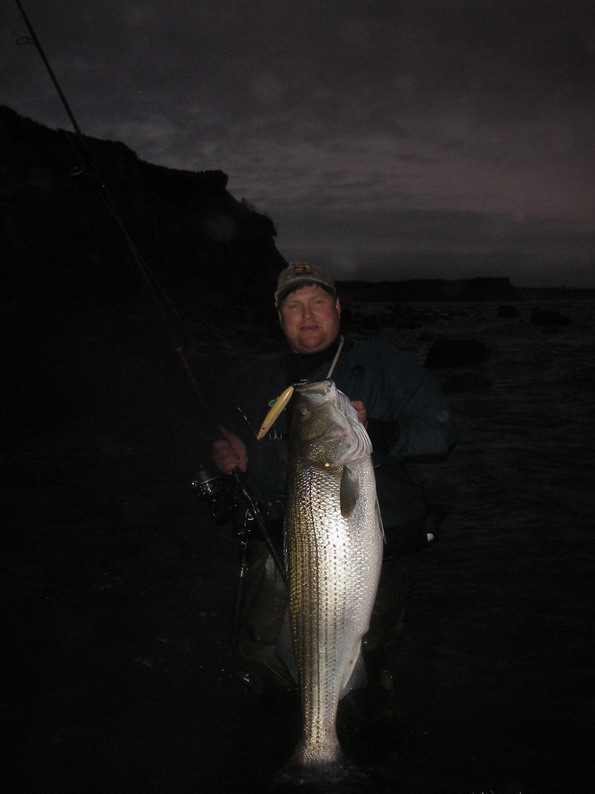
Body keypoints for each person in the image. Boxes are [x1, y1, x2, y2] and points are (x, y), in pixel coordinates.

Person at [212, 262, 457, 701]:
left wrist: (377, 432)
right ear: (280, 317)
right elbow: (221, 429)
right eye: (294, 305)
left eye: (319, 302)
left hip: (364, 541)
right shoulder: (253, 374)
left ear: (339, 309)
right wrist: (226, 454)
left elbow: (440, 430)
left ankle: (362, 743)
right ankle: (277, 749)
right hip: (275, 533)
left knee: (369, 660)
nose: (308, 315)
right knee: (259, 656)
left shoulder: (381, 363)